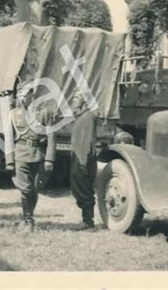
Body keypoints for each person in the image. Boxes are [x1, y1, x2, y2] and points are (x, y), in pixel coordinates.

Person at [5, 82, 56, 232]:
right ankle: (29, 221)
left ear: (32, 95)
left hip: (38, 155)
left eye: (26, 94)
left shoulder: (44, 112)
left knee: (35, 189)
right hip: (20, 154)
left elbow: (52, 136)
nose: (23, 97)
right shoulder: (13, 114)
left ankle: (28, 217)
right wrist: (9, 160)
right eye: (21, 94)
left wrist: (49, 158)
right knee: (25, 189)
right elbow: (9, 138)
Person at [69, 90, 98, 230]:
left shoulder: (88, 117)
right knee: (78, 188)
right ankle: (86, 220)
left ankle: (88, 221)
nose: (74, 100)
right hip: (78, 159)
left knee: (85, 190)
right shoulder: (81, 116)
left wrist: (83, 162)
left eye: (77, 97)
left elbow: (87, 142)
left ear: (85, 100)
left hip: (83, 160)